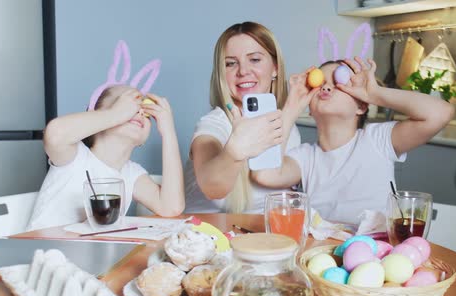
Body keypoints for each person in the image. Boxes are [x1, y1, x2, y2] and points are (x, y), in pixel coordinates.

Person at [251, 57, 455, 225]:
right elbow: (265, 175)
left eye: (339, 84)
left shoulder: (377, 140)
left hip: (377, 251)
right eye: (320, 83)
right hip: (325, 254)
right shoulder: (306, 157)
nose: (327, 88)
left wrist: (375, 94)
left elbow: (440, 113)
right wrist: (292, 106)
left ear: (361, 107)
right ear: (310, 109)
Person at [184, 21, 318, 214]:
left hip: (262, 238)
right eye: (230, 63)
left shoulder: (290, 128)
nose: (243, 71)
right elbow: (212, 187)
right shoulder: (214, 124)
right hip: (209, 237)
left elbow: (277, 186)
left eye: (254, 60)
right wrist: (235, 151)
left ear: (275, 68)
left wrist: (290, 110)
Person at [28, 85, 184, 230]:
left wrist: (168, 131)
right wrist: (116, 114)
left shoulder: (131, 174)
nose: (139, 112)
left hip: (85, 254)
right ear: (97, 118)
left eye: (146, 113)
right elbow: (55, 134)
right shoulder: (75, 156)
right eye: (124, 104)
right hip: (46, 251)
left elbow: (171, 207)